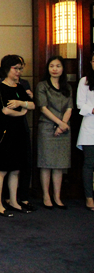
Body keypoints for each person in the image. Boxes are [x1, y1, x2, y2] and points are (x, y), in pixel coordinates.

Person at [0, 55, 36, 217]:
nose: (19, 72)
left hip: (20, 131)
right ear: (6, 69)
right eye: (16, 68)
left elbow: (32, 105)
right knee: (2, 169)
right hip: (6, 131)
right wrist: (22, 111)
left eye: (20, 69)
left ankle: (13, 201)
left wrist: (20, 103)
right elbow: (5, 111)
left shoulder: (19, 86)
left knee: (16, 169)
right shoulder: (0, 86)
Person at [36, 55, 72, 210]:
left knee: (59, 164)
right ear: (48, 68)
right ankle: (46, 195)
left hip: (63, 129)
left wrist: (62, 125)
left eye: (58, 66)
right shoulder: (42, 86)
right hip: (47, 127)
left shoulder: (67, 87)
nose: (55, 69)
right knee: (46, 163)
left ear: (63, 69)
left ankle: (57, 196)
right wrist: (59, 123)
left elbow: (69, 108)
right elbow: (43, 108)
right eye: (52, 66)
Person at [76, 52, 94, 212]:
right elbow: (80, 104)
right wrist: (93, 110)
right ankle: (89, 197)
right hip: (90, 126)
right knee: (89, 163)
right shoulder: (85, 81)